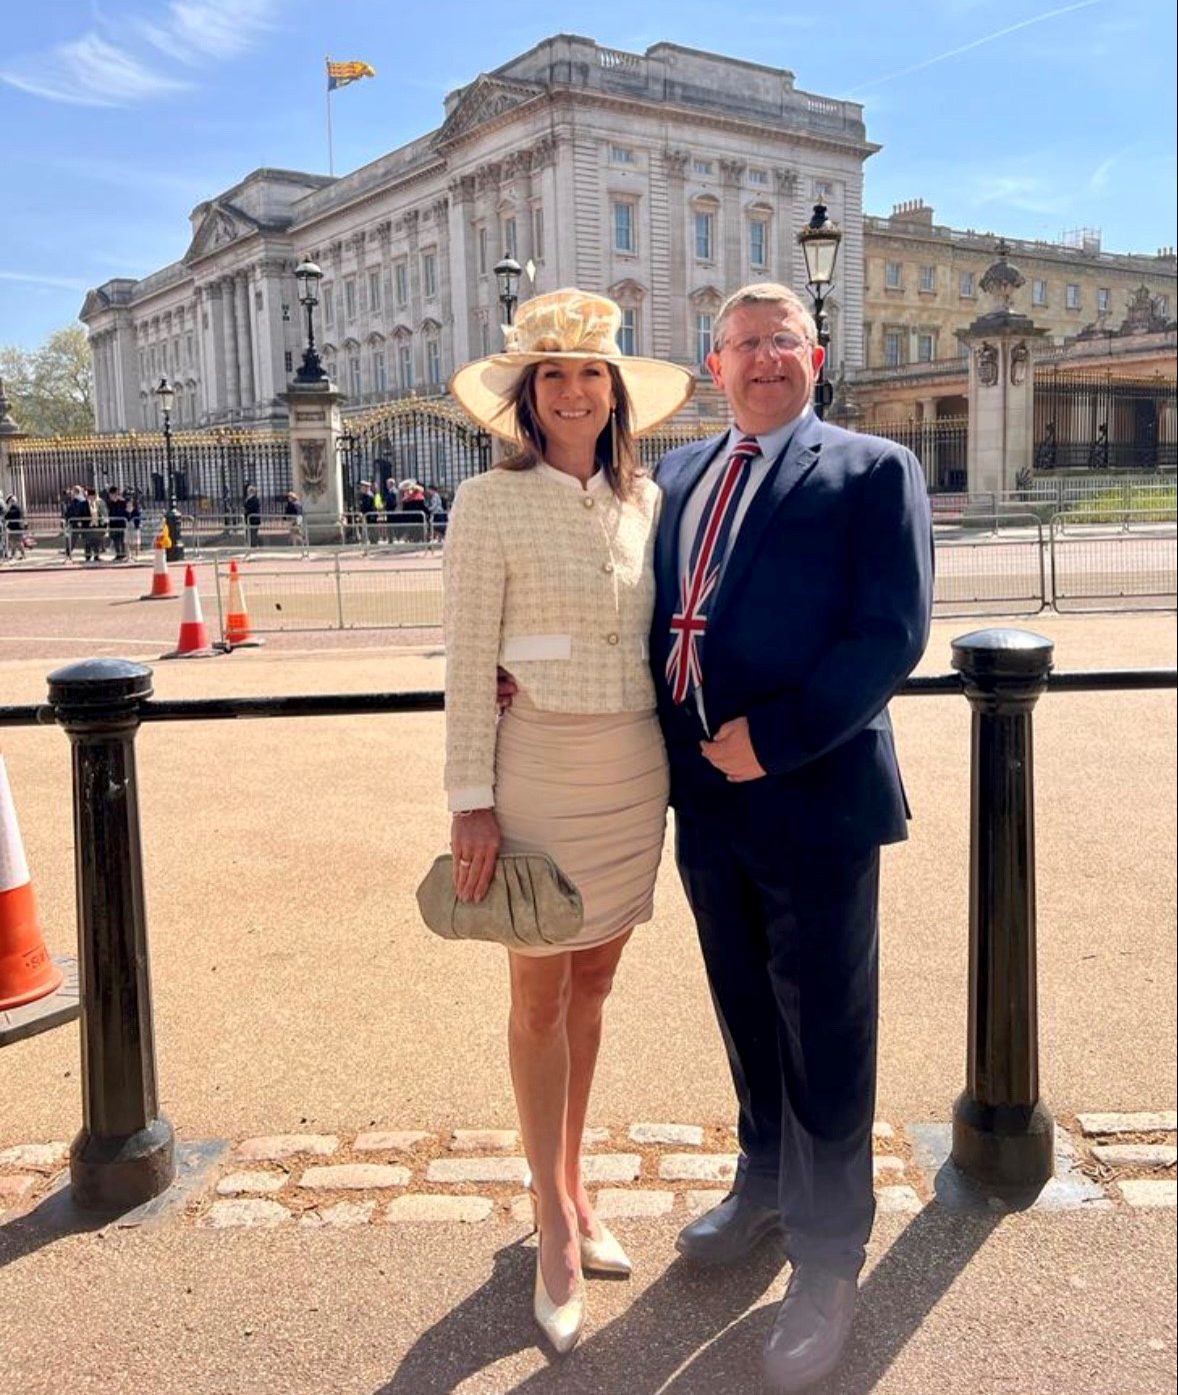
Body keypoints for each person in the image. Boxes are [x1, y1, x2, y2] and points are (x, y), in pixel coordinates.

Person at [649, 282, 934, 1393]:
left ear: (812, 357)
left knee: (824, 1022)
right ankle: (763, 1181)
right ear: (711, 363)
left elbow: (888, 633)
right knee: (740, 1003)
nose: (763, 359)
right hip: (702, 795)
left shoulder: (870, 469)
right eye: (742, 344)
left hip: (809, 789)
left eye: (782, 342)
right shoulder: (676, 472)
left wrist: (775, 738)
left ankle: (826, 1257)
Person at [445, 287, 693, 1354]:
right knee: (536, 988)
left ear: (616, 390)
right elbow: (464, 664)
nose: (576, 390)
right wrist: (470, 799)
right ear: (527, 396)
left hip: (632, 766)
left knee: (594, 981)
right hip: (535, 765)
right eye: (553, 375)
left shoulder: (651, 500)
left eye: (591, 373)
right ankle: (547, 1214)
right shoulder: (483, 502)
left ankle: (576, 1180)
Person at [80, 488, 108, 563]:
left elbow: (102, 513)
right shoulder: (83, 504)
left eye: (94, 496)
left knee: (97, 541)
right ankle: (88, 556)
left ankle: (96, 556)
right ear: (88, 496)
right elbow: (81, 514)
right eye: (91, 496)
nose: (93, 497)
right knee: (88, 542)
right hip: (88, 526)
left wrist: (103, 523)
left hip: (97, 525)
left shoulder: (98, 503)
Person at [107, 487, 130, 561]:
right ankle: (118, 554)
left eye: (111, 495)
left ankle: (123, 554)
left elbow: (125, 512)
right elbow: (110, 513)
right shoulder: (110, 503)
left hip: (121, 523)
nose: (111, 497)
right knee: (115, 539)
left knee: (122, 539)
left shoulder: (122, 502)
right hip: (113, 524)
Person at [243, 484, 263, 550]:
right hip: (249, 520)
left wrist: (246, 510)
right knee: (251, 533)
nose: (247, 492)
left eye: (248, 491)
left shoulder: (254, 499)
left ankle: (254, 546)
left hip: (254, 519)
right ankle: (255, 544)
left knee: (253, 533)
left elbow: (252, 508)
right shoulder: (248, 499)